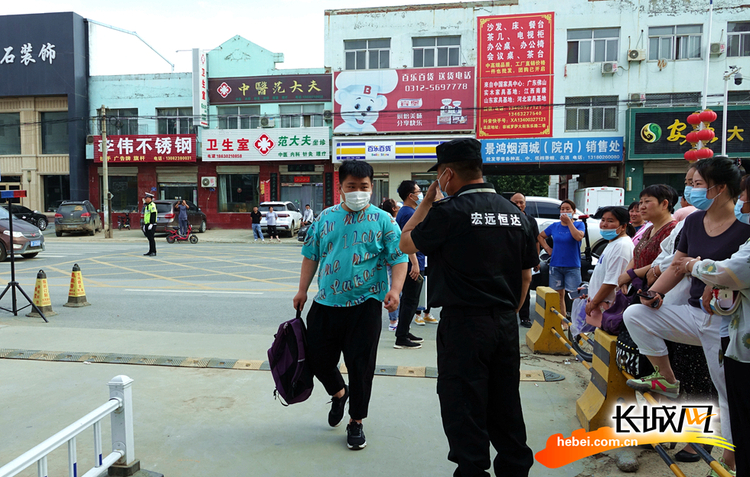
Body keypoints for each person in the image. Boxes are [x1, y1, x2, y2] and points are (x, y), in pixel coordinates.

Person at [399, 138, 538, 477]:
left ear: (446, 175)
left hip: (464, 325)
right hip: (504, 324)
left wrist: (427, 202)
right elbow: (525, 277)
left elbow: (406, 241)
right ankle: (515, 468)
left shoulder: (449, 213)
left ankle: (473, 469)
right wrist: (505, 313)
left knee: (464, 403)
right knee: (505, 402)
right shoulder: (517, 216)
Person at [624, 156, 750, 475]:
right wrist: (657, 293)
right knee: (637, 314)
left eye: (696, 184)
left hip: (730, 323)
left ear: (720, 188)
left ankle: (729, 461)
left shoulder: (745, 227)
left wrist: (703, 272)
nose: (689, 190)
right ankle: (667, 380)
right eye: (689, 184)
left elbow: (730, 273)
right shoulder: (693, 222)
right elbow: (677, 265)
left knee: (725, 393)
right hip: (695, 312)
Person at [293, 160, 407, 451]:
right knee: (317, 359)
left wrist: (395, 289)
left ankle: (356, 421)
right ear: (341, 188)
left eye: (364, 187)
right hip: (326, 303)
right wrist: (302, 290)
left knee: (361, 366)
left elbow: (399, 258)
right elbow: (311, 255)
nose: (358, 192)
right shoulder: (325, 218)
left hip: (365, 304)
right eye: (351, 187)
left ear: (372, 186)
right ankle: (338, 392)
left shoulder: (384, 220)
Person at [681, 237, 750, 477]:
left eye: (744, 197)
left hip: (742, 347)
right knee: (730, 397)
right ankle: (730, 459)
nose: (742, 201)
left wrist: (693, 266)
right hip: (732, 332)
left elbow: (730, 271)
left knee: (734, 400)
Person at [617, 185, 677, 297]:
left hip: (657, 292)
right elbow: (637, 254)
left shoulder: (673, 230)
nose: (642, 207)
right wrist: (626, 276)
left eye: (647, 202)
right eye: (641, 202)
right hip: (638, 288)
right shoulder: (649, 228)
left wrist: (630, 274)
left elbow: (665, 263)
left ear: (664, 204)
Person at [581, 206, 634, 327]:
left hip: (608, 307)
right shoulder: (613, 242)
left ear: (623, 226)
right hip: (601, 304)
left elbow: (612, 282)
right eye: (603, 220)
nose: (604, 224)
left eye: (610, 221)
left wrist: (594, 303)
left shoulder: (622, 246)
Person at [393, 180, 427, 349]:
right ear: (410, 195)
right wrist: (414, 263)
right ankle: (401, 337)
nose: (421, 194)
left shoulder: (408, 211)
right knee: (410, 300)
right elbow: (407, 239)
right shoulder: (407, 213)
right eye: (418, 191)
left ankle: (404, 331)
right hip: (412, 262)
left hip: (413, 261)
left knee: (410, 300)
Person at [537, 199, 584, 317]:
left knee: (576, 296)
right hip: (555, 265)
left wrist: (569, 223)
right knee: (558, 296)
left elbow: (578, 237)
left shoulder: (579, 224)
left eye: (568, 209)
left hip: (572, 265)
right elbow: (540, 236)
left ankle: (577, 320)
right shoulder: (554, 226)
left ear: (573, 211)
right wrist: (548, 249)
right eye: (562, 209)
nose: (564, 211)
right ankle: (562, 320)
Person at [511, 192, 540, 328]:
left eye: (521, 202)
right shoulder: (506, 219)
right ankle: (508, 315)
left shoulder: (531, 221)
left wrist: (536, 260)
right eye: (515, 202)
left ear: (525, 203)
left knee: (525, 289)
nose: (518, 205)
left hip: (525, 261)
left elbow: (536, 241)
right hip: (509, 260)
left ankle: (524, 317)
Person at [380, 198, 400, 331]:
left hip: (386, 261)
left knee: (390, 287)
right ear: (393, 209)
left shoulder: (382, 221)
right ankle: (394, 320)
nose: (399, 207)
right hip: (393, 261)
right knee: (395, 290)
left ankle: (394, 320)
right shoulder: (392, 223)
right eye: (397, 206)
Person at [142, 192, 157, 256]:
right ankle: (150, 251)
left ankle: (153, 251)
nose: (145, 199)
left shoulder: (152, 205)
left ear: (150, 198)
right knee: (149, 238)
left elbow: (153, 214)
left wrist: (151, 223)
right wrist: (145, 224)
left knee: (151, 238)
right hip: (147, 223)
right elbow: (146, 215)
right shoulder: (146, 206)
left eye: (146, 198)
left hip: (152, 224)